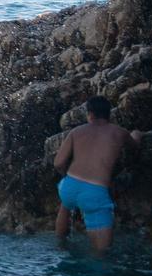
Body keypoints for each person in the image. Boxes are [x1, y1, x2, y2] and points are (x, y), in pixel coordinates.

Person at [53, 96, 142, 255]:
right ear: (109, 115)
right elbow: (134, 147)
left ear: (90, 115)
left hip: (69, 187)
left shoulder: (76, 131)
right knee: (101, 254)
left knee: (65, 205)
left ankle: (60, 245)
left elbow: (58, 163)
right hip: (94, 192)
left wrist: (68, 177)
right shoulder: (119, 132)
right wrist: (136, 134)